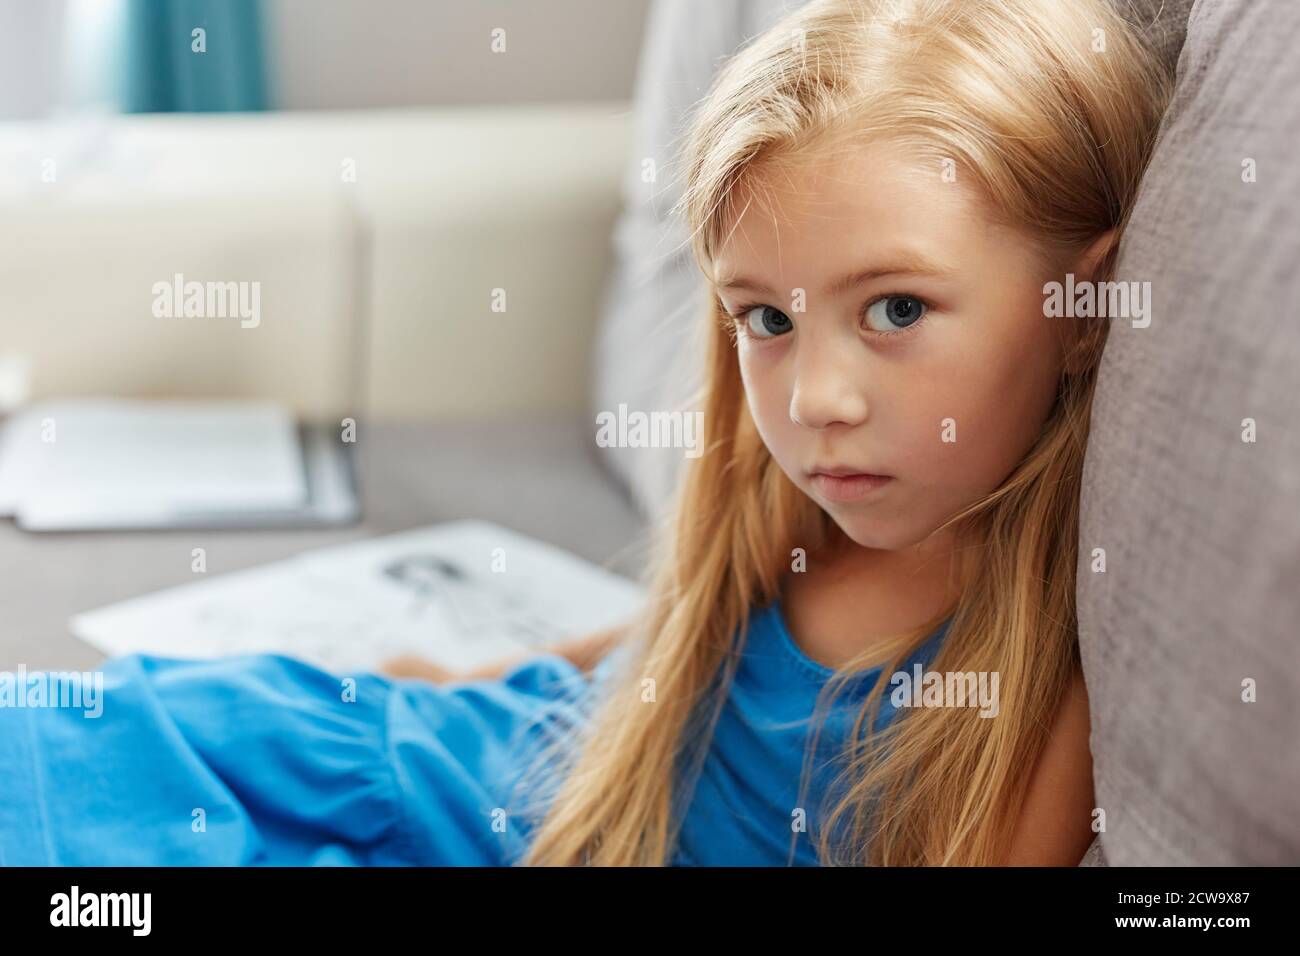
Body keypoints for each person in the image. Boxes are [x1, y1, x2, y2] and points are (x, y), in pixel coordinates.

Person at [0, 0, 1172, 866]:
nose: (813, 396)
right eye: (764, 317)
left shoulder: (1037, 674)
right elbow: (670, 658)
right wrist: (445, 675)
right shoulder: (787, 525)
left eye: (897, 310)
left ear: (1078, 308)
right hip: (400, 758)